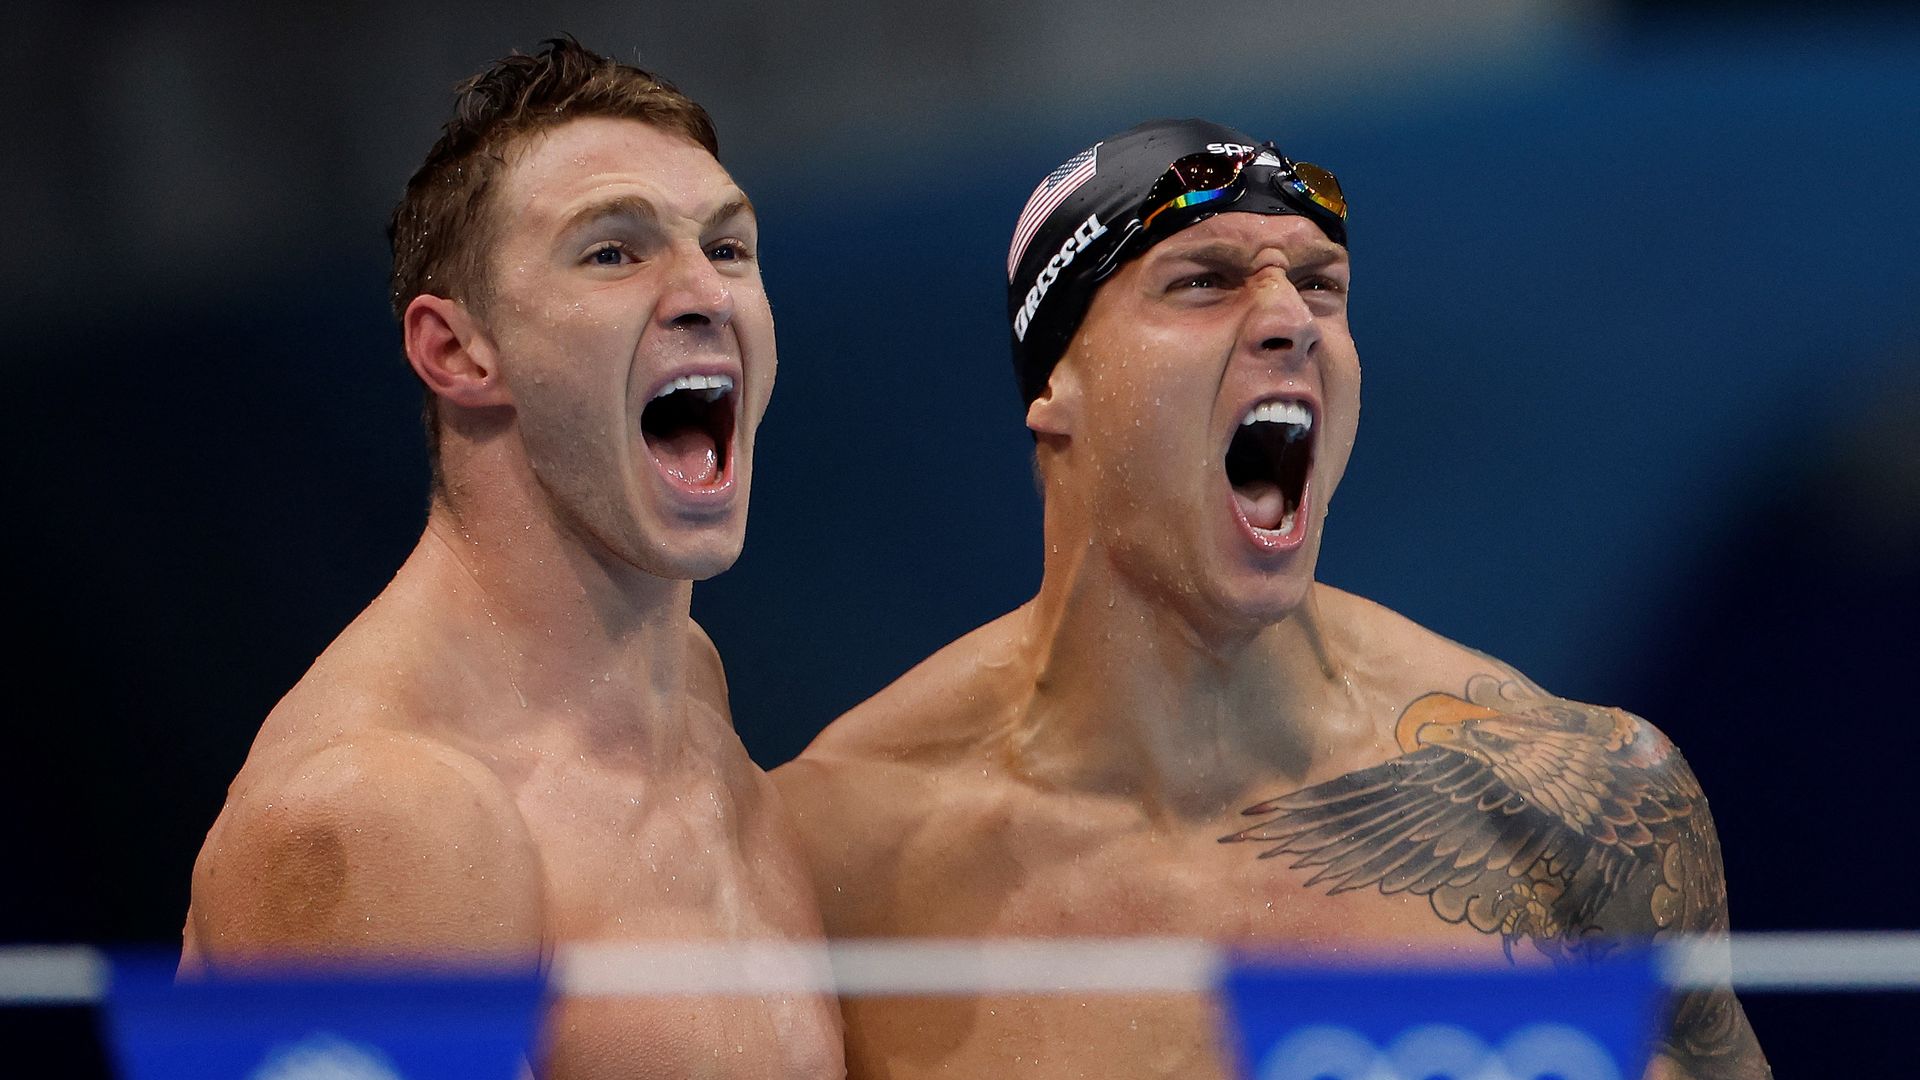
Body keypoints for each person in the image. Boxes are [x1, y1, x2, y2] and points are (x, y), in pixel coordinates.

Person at [773, 118, 1769, 1079]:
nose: (1290, 319)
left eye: (1321, 286)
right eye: (1203, 282)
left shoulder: (1578, 802)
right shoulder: (835, 850)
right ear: (1056, 386)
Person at [183, 38, 843, 1079]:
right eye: (612, 253)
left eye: (727, 248)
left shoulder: (688, 700)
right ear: (456, 351)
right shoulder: (387, 818)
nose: (703, 294)